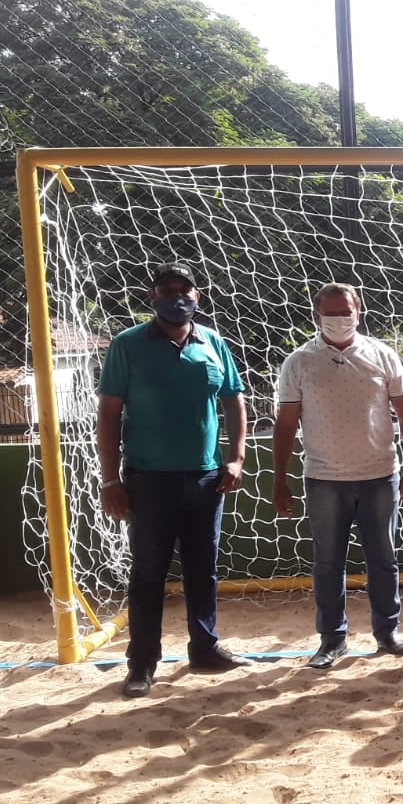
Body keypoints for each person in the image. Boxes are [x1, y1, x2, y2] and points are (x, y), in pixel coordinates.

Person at [97, 262, 251, 698]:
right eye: (167, 289)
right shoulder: (127, 345)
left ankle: (204, 649)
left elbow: (235, 402)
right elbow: (108, 414)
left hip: (205, 477)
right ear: (153, 296)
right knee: (148, 572)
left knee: (203, 569)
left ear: (197, 296)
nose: (177, 297)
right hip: (147, 479)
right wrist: (111, 479)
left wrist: (236, 457)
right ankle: (141, 664)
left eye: (185, 290)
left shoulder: (213, 343)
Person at [271, 283, 403, 670]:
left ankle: (387, 633)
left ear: (359, 312)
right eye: (332, 312)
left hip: (378, 475)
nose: (340, 319)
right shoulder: (298, 362)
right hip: (323, 478)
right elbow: (286, 423)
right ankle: (332, 640)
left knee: (383, 559)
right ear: (316, 315)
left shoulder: (382, 355)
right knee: (327, 562)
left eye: (346, 311)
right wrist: (279, 479)